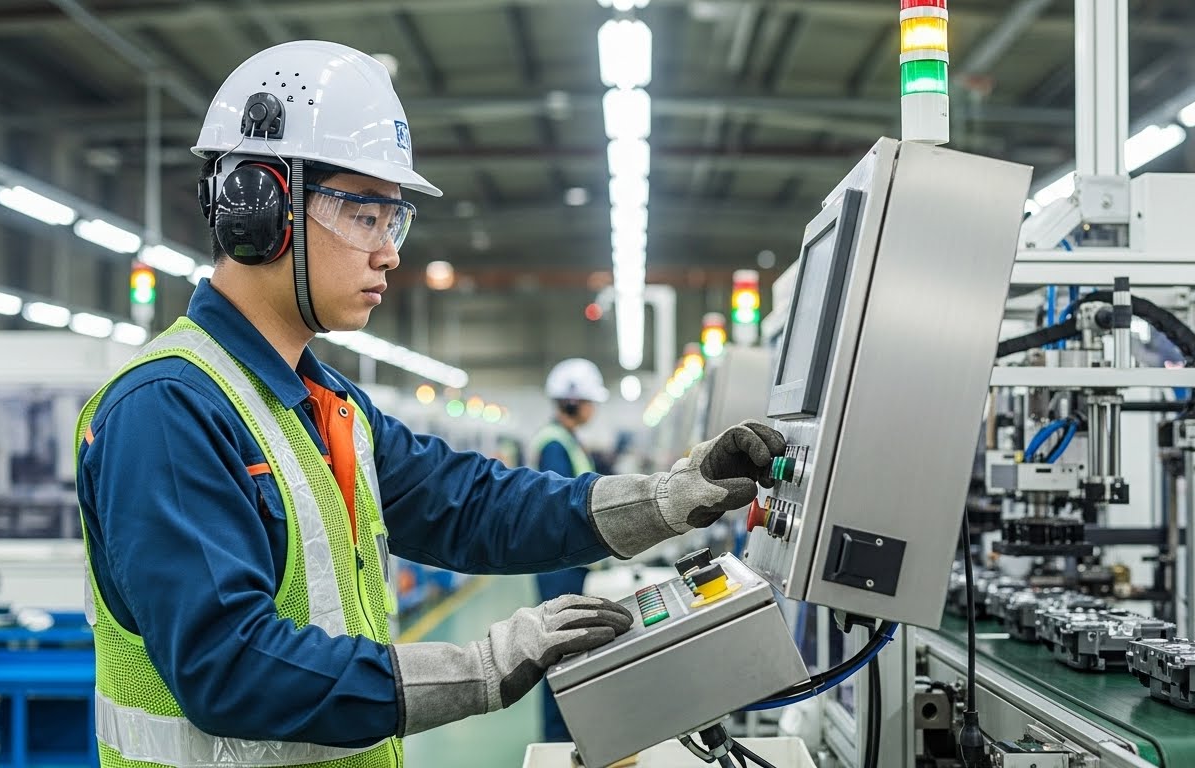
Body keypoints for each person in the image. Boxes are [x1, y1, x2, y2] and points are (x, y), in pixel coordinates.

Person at [75, 40, 785, 767]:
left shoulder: (328, 405)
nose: (389, 252)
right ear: (260, 209)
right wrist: (481, 667)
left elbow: (474, 505)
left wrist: (671, 497)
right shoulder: (166, 411)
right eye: (363, 216)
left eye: (395, 221)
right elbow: (231, 667)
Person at [530, 357, 608, 742]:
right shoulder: (555, 445)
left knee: (569, 648)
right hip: (559, 567)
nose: (594, 408)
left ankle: (568, 732)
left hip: (570, 562)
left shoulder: (568, 440)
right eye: (590, 400)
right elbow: (561, 506)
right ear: (573, 402)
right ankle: (558, 742)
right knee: (559, 650)